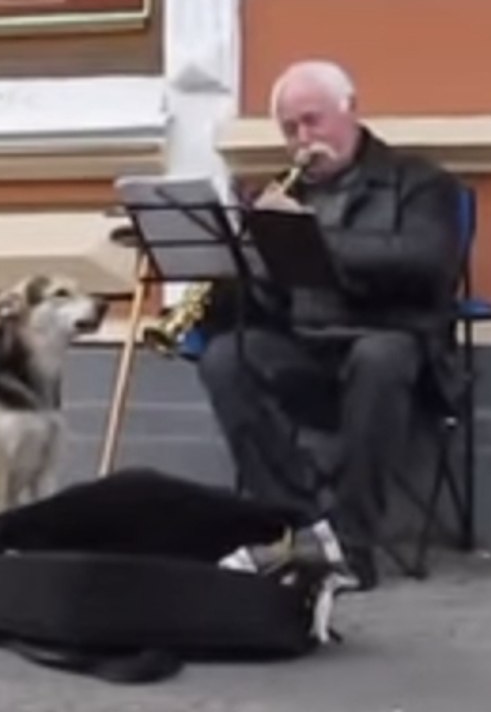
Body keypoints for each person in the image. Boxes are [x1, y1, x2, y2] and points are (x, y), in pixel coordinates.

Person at [195, 59, 466, 591]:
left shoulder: (419, 182)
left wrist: (312, 236)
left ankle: (353, 542)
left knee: (380, 356)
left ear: (350, 110)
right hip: (307, 349)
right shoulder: (283, 192)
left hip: (394, 348)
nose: (304, 140)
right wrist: (234, 264)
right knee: (226, 357)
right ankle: (298, 524)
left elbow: (430, 265)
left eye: (313, 121)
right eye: (291, 130)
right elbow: (263, 304)